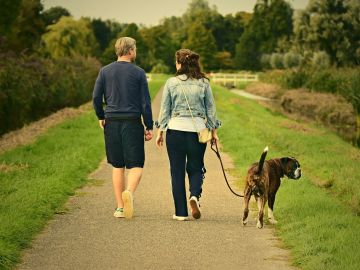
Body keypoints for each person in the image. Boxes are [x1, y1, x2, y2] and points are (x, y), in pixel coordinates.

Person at [155, 49, 221, 221]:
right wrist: (214, 132)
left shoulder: (171, 82)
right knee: (196, 166)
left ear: (179, 63)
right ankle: (194, 195)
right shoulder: (204, 83)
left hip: (175, 131)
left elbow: (165, 110)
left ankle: (180, 212)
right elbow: (211, 111)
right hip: (198, 131)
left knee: (176, 171)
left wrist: (160, 132)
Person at [93, 37, 153, 219]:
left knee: (118, 166)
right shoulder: (139, 73)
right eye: (135, 49)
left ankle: (120, 207)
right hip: (132, 122)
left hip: (111, 121)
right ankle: (129, 192)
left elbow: (96, 97)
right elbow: (145, 102)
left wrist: (101, 116)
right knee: (136, 165)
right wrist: (148, 126)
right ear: (130, 51)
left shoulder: (104, 71)